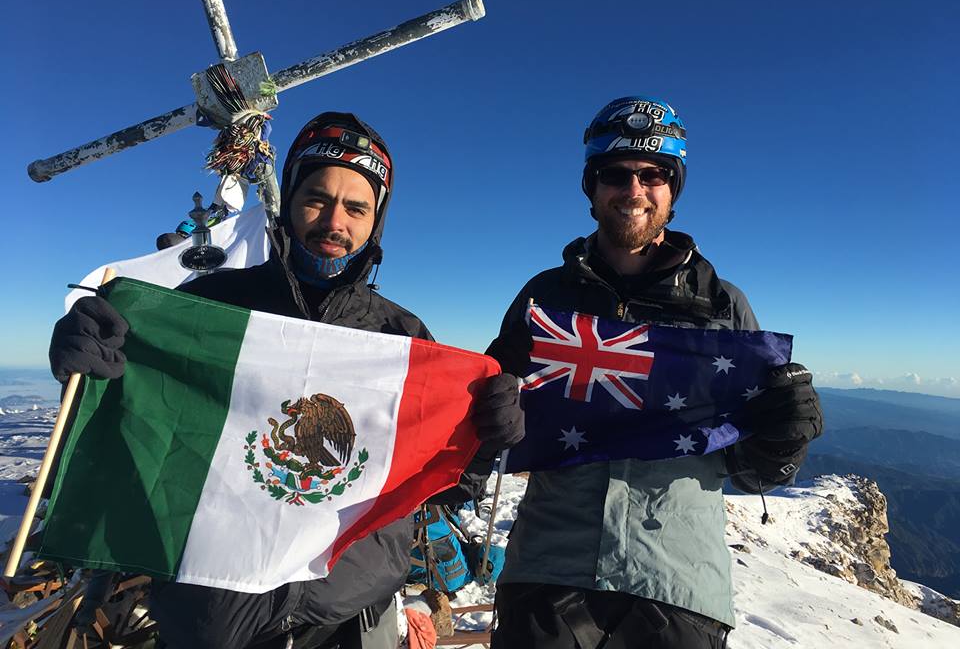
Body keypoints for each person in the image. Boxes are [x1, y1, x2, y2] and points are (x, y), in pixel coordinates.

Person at [48, 111, 525, 649]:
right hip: (213, 612)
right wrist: (84, 368)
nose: (334, 222)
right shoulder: (210, 309)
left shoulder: (405, 339)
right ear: (292, 203)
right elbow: (135, 433)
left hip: (347, 619)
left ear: (376, 221)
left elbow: (442, 487)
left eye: (356, 207)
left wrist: (483, 437)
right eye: (318, 198)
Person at [486, 96, 823, 649]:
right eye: (616, 174)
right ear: (592, 189)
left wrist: (785, 432)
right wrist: (492, 413)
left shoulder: (722, 307)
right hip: (549, 569)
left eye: (654, 174)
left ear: (673, 190)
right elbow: (485, 417)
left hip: (676, 583)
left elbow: (754, 470)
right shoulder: (545, 297)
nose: (634, 190)